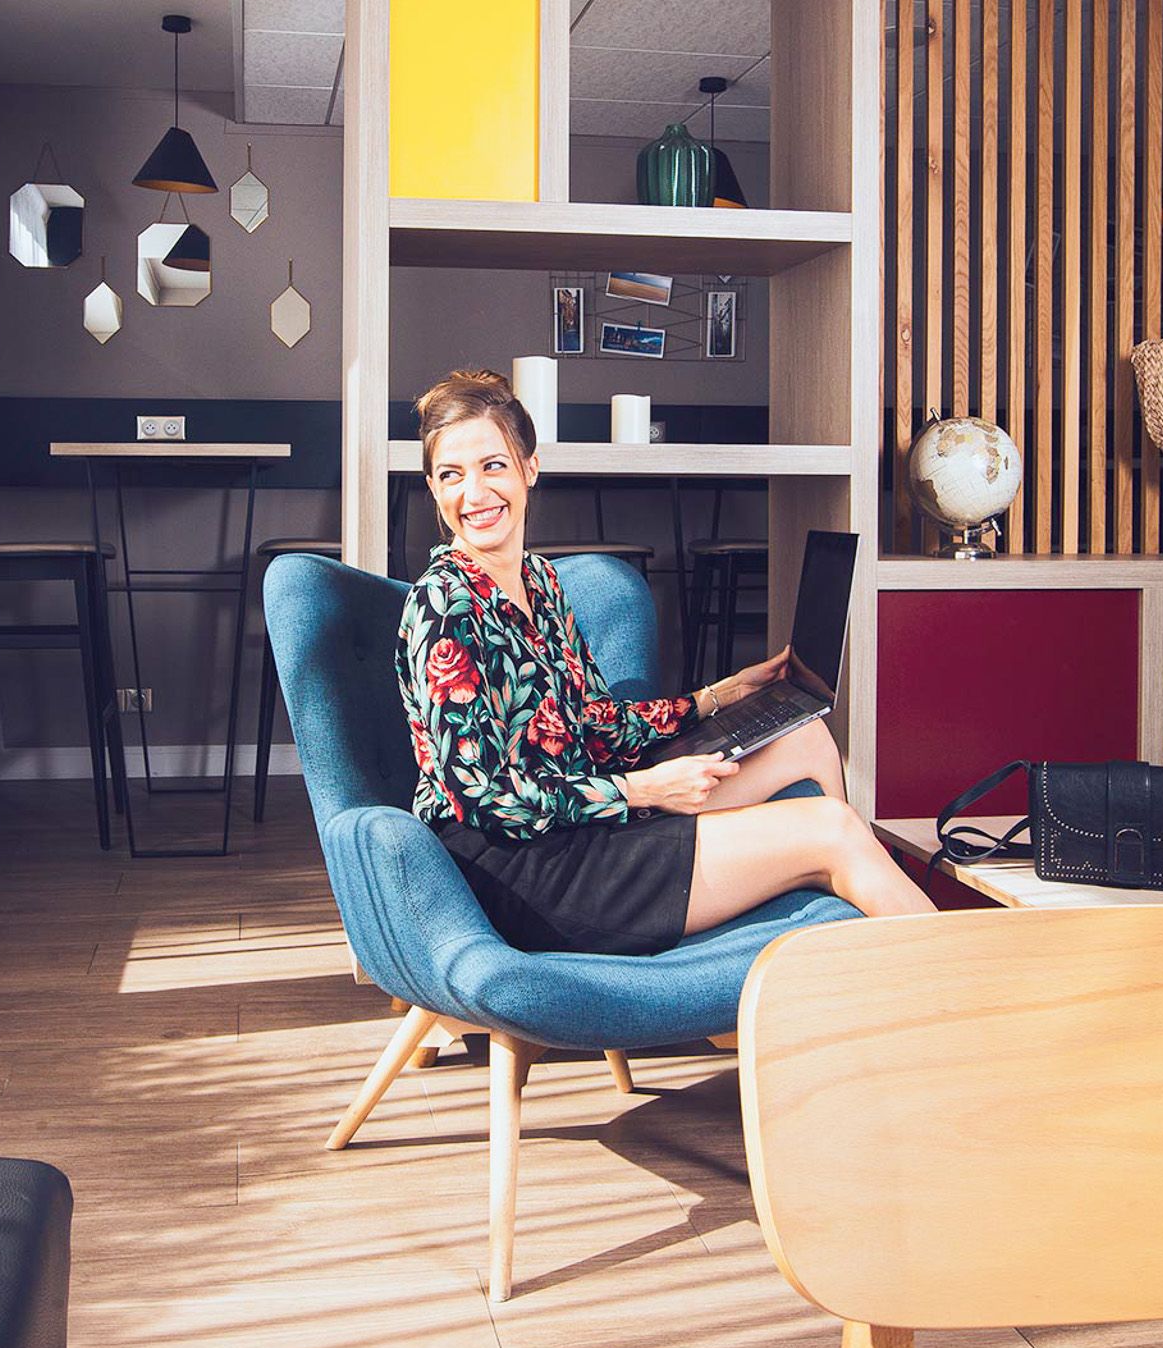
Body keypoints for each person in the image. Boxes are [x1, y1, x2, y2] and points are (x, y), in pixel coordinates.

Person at [395, 368, 934, 957]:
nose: (474, 494)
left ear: (529, 468)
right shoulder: (444, 605)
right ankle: (972, 985)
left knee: (805, 739)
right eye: (451, 475)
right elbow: (480, 797)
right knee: (832, 831)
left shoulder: (539, 582)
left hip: (587, 819)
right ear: (433, 489)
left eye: (492, 466)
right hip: (525, 872)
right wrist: (641, 790)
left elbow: (596, 721)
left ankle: (836, 929)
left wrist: (718, 696)